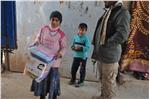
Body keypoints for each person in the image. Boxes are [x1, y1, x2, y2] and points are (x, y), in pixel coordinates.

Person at [91, 1, 130, 99]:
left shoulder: (122, 12)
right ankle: (103, 96)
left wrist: (107, 43)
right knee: (103, 79)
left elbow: (122, 35)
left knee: (109, 82)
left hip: (110, 55)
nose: (104, 0)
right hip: (102, 53)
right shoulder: (111, 10)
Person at [30, 11, 67, 99]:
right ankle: (42, 96)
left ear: (60, 22)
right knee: (42, 79)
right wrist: (35, 43)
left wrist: (60, 53)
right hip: (42, 61)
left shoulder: (61, 35)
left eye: (57, 20)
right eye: (52, 19)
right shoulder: (43, 29)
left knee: (52, 81)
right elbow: (38, 39)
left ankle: (53, 96)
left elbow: (64, 47)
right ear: (50, 19)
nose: (54, 22)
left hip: (54, 63)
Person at [69, 23, 90, 87]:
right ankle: (73, 79)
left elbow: (88, 48)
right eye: (80, 30)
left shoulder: (86, 39)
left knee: (82, 70)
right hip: (76, 56)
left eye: (83, 30)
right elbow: (72, 45)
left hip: (83, 58)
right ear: (78, 30)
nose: (81, 32)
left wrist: (81, 48)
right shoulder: (76, 37)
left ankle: (81, 81)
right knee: (73, 69)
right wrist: (73, 48)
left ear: (86, 31)